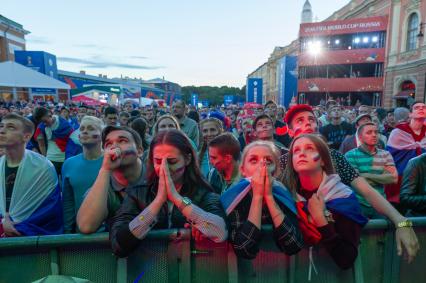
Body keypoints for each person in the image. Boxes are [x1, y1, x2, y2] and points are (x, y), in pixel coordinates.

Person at [280, 104, 419, 262]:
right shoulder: (282, 162)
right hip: (294, 255)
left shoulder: (335, 157)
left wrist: (400, 221)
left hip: (336, 252)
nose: (307, 123)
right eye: (300, 120)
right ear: (290, 131)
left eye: (311, 119)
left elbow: (367, 190)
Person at [110, 130, 227, 257]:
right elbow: (119, 243)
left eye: (172, 162)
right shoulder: (138, 192)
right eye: (158, 161)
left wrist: (178, 199)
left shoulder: (202, 192)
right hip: (149, 271)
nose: (163, 168)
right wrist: (157, 202)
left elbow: (221, 232)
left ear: (187, 159)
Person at [283, 134, 367, 269]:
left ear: (323, 160)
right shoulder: (286, 197)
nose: (302, 153)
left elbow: (346, 259)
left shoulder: (343, 198)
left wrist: (320, 219)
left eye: (309, 148)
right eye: (296, 150)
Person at [221, 140, 303, 259]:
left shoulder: (284, 194)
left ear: (275, 172)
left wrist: (269, 197)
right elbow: (243, 248)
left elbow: (294, 245)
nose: (262, 165)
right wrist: (257, 197)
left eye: (268, 161)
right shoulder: (234, 198)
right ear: (243, 170)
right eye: (254, 160)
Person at [0, 113, 62, 236]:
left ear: (26, 136)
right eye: (1, 126)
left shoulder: (43, 167)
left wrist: (16, 227)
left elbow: (49, 210)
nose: (2, 130)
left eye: (10, 127)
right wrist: (3, 224)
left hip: (32, 244)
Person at [77, 125, 145, 234]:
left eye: (122, 141)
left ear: (139, 151)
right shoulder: (104, 185)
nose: (114, 147)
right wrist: (105, 169)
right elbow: (86, 226)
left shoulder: (155, 175)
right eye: (108, 144)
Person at [345, 123, 398, 218]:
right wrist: (382, 177)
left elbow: (393, 179)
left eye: (376, 132)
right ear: (360, 137)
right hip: (359, 204)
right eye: (369, 132)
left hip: (381, 204)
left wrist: (364, 175)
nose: (374, 135)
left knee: (382, 231)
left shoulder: (386, 154)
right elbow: (354, 182)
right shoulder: (350, 155)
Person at [61, 116, 104, 233]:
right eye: (82, 128)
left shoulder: (111, 161)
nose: (85, 131)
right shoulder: (69, 164)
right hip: (80, 232)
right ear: (78, 136)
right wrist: (68, 232)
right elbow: (68, 203)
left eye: (91, 128)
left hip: (109, 233)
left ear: (102, 135)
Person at [386, 102, 426, 210]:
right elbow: (390, 157)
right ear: (410, 114)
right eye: (417, 107)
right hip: (401, 178)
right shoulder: (398, 132)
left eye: (424, 107)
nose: (421, 109)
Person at [33, 107, 78, 176]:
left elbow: (72, 141)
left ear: (49, 115)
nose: (44, 124)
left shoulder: (64, 123)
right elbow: (41, 145)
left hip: (66, 158)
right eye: (41, 122)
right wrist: (45, 159)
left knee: (65, 182)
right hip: (51, 159)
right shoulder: (41, 127)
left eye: (45, 121)